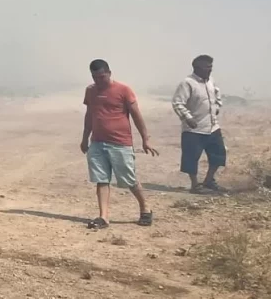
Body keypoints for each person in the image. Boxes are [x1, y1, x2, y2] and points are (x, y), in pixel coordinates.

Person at [81, 59, 158, 229]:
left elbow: (136, 115)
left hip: (120, 143)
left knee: (129, 180)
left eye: (101, 77)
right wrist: (85, 137)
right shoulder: (90, 91)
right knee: (101, 180)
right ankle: (103, 217)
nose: (98, 81)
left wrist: (145, 139)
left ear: (109, 73)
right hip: (97, 143)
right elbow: (89, 115)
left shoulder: (123, 90)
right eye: (95, 77)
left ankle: (145, 208)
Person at [172, 54, 226, 194]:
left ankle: (209, 180)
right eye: (207, 67)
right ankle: (195, 185)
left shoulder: (211, 81)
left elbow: (217, 95)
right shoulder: (187, 83)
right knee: (191, 158)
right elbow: (178, 103)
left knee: (218, 155)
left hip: (213, 127)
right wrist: (188, 117)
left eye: (211, 67)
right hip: (193, 129)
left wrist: (217, 107)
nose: (210, 70)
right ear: (197, 68)